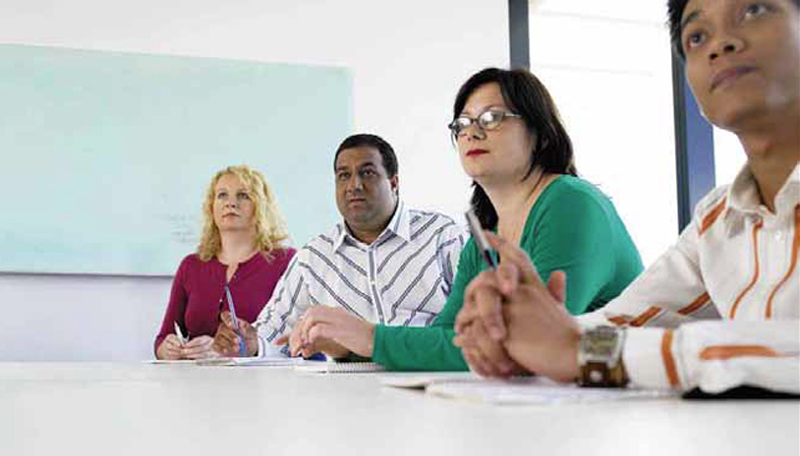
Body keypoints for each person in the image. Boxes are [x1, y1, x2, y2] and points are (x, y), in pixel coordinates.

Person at [454, 0, 799, 393]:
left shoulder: (569, 200)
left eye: (753, 11)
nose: (720, 44)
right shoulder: (718, 219)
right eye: (697, 36)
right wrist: (519, 335)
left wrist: (581, 352)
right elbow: (622, 319)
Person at [288, 68, 644, 372]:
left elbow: (526, 343)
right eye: (462, 124)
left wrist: (371, 337)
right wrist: (351, 346)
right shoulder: (484, 236)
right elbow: (453, 337)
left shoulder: (571, 203)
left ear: (539, 132)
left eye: (491, 118)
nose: (471, 132)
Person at [213, 134, 467, 359]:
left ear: (394, 182)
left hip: (432, 384)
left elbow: (475, 329)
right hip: (347, 399)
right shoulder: (314, 257)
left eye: (367, 172)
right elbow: (272, 333)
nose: (353, 185)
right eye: (343, 175)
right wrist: (251, 342)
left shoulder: (441, 236)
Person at [154, 165, 295, 360]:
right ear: (211, 207)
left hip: (262, 384)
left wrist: (234, 349)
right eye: (222, 195)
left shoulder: (286, 262)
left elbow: (301, 343)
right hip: (194, 384)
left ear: (261, 206)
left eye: (243, 195)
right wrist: (167, 349)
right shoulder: (191, 266)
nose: (231, 203)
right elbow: (163, 339)